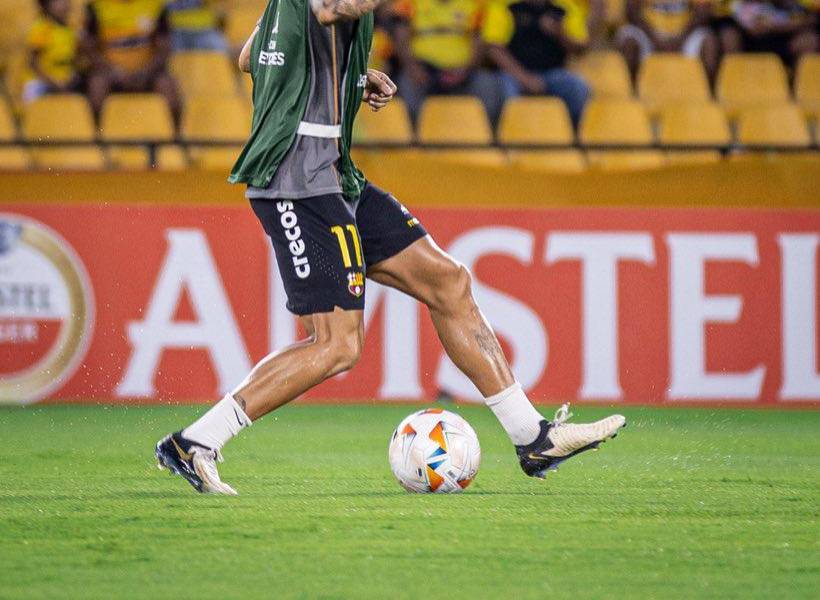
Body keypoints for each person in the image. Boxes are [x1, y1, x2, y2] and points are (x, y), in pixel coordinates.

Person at [154, 0, 626, 495]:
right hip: (296, 181)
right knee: (337, 344)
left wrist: (352, 79)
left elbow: (251, 57)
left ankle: (532, 437)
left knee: (449, 281)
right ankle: (195, 442)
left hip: (336, 176)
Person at [389, 0, 505, 123]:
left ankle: (486, 138)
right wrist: (413, 67)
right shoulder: (410, 3)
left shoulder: (475, 4)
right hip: (423, 69)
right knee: (406, 84)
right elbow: (400, 37)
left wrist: (467, 69)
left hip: (464, 71)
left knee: (487, 84)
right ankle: (413, 138)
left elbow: (479, 40)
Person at [483, 0, 593, 128]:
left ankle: (573, 136)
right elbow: (494, 48)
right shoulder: (506, 6)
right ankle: (510, 135)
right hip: (514, 74)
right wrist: (525, 78)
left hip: (553, 74)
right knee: (505, 90)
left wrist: (560, 33)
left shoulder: (564, 7)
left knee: (578, 87)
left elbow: (580, 48)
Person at [83, 0, 180, 120]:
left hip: (148, 72)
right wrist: (113, 71)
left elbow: (164, 48)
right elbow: (90, 49)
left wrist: (145, 72)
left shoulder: (155, 5)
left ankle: (175, 137)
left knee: (168, 88)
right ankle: (97, 136)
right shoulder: (97, 7)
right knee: (97, 87)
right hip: (109, 73)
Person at [616, 0, 720, 81]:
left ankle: (709, 98)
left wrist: (681, 39)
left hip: (685, 34)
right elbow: (631, 10)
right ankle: (632, 97)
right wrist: (654, 39)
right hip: (648, 33)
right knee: (629, 42)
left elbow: (704, 11)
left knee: (709, 43)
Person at [720, 0, 818, 66]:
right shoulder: (733, 5)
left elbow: (812, 18)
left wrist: (776, 27)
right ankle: (733, 81)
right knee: (729, 36)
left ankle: (796, 87)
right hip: (747, 40)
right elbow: (756, 28)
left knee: (809, 41)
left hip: (783, 40)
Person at [23, 0, 81, 104]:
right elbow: (32, 63)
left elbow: (73, 61)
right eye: (57, 1)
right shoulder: (42, 27)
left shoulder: (71, 30)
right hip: (41, 82)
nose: (63, 4)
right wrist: (53, 83)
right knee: (33, 94)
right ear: (46, 5)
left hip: (65, 82)